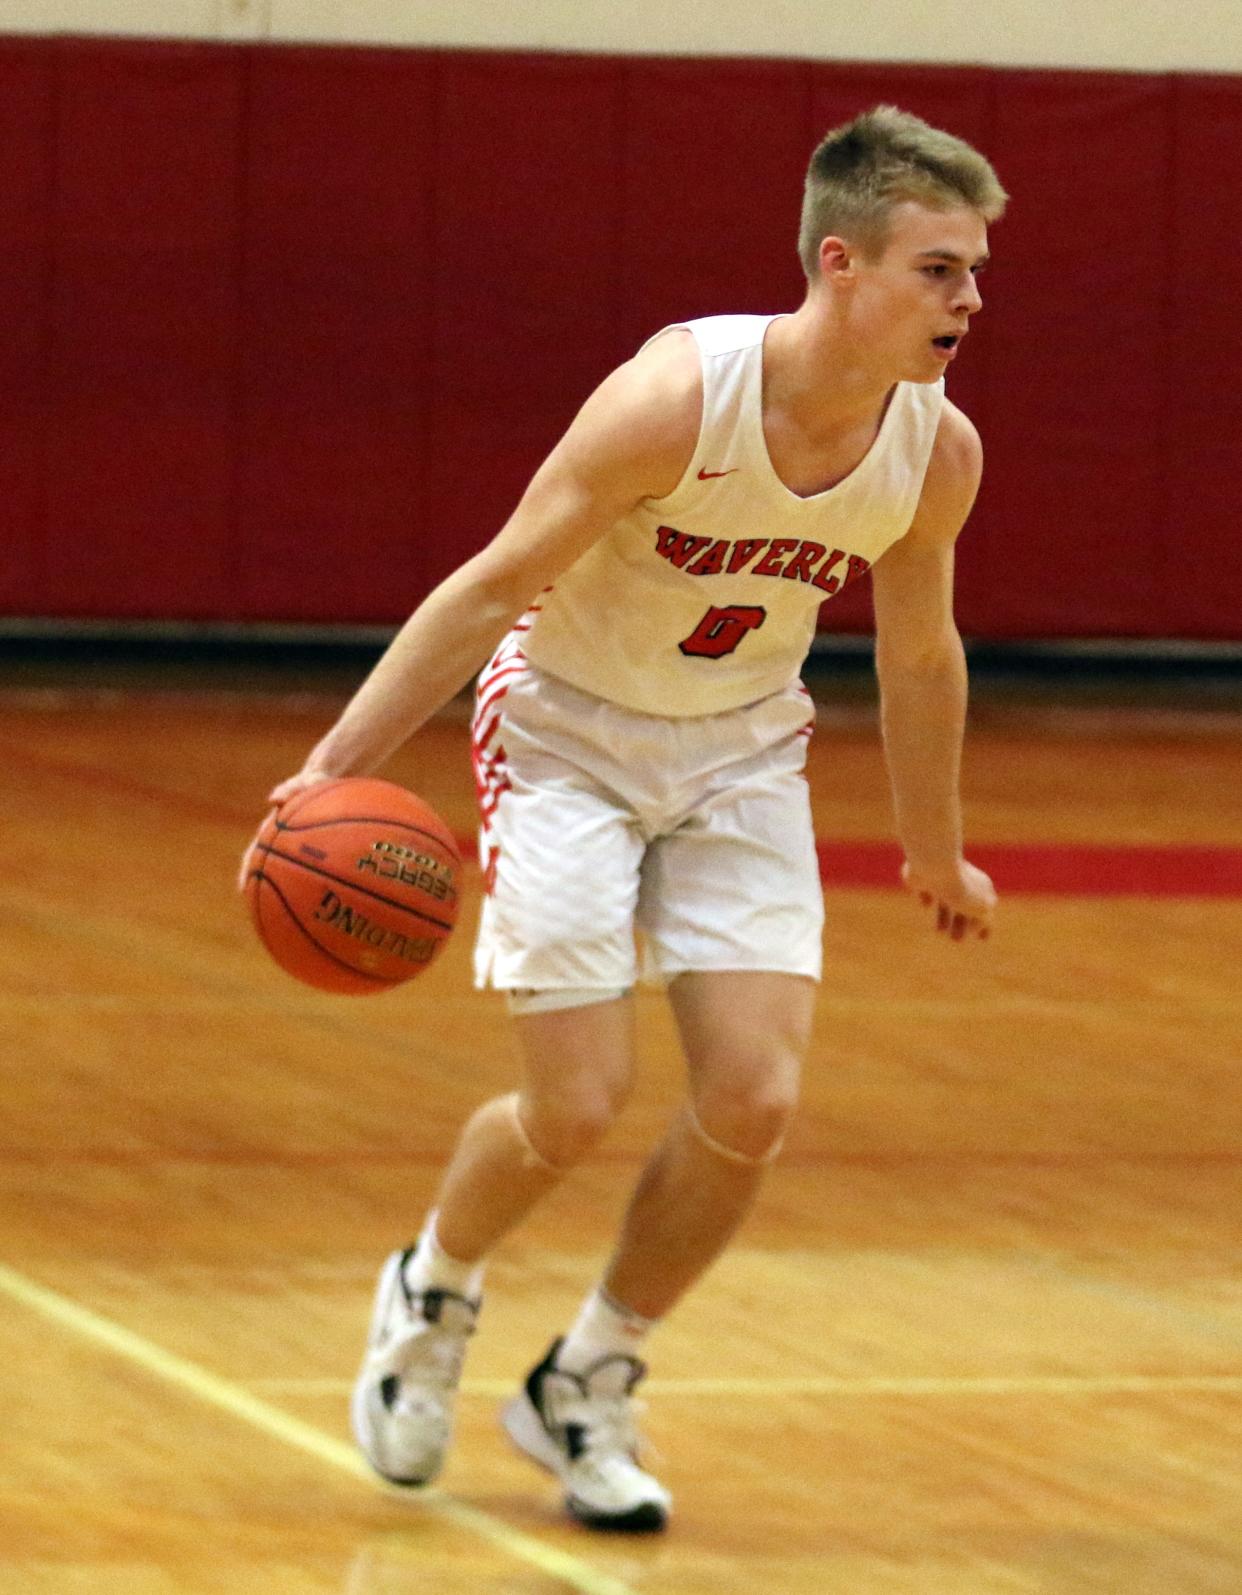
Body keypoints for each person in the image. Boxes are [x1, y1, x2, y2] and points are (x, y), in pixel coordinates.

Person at [259, 105, 1006, 1532]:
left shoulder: (936, 450)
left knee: (754, 1098)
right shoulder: (676, 397)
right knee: (576, 1103)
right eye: (938, 269)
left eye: (974, 271)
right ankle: (434, 1288)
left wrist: (932, 844)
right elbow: (491, 585)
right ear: (837, 265)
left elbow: (918, 652)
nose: (968, 299)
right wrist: (329, 766)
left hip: (736, 755)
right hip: (564, 739)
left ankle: (587, 1375)